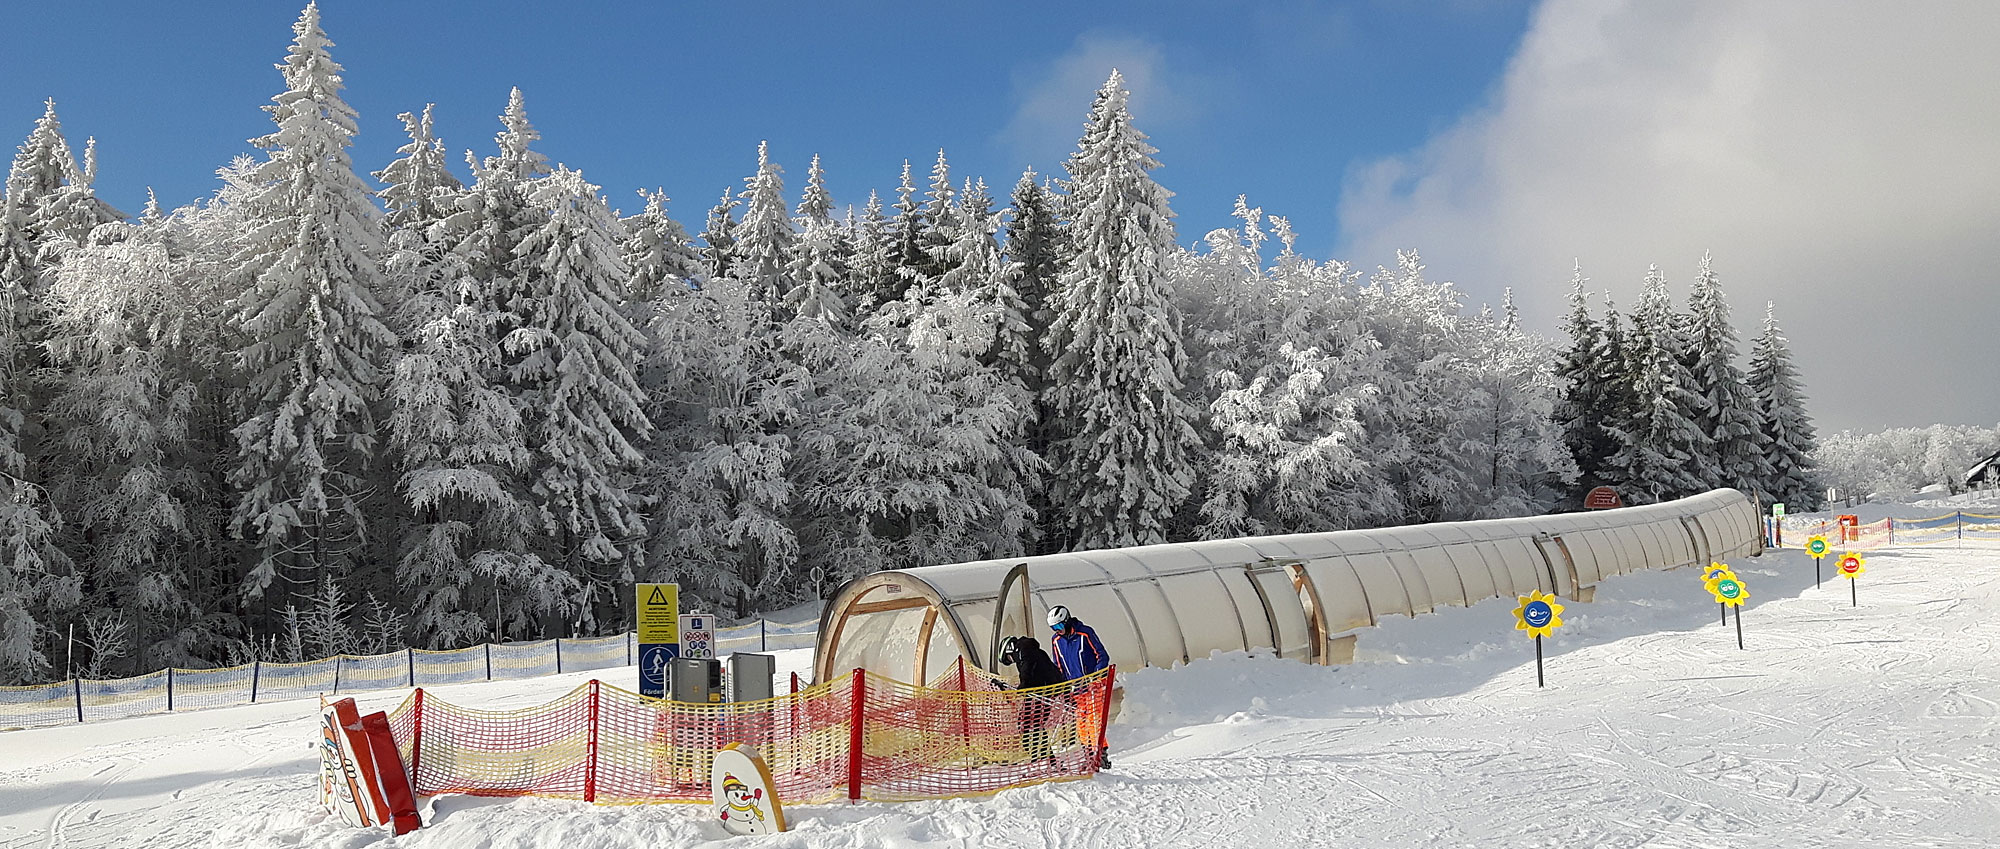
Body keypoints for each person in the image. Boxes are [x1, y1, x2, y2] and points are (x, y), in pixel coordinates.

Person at [1047, 605, 1113, 769]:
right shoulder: (1056, 641)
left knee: (1094, 721)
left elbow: (1102, 656)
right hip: (1075, 689)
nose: (1058, 631)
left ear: (1067, 621)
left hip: (1093, 687)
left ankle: (1100, 753)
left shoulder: (1085, 633)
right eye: (1054, 628)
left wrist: (1096, 677)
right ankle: (1088, 754)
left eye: (1060, 626)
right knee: (1081, 723)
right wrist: (1063, 687)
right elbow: (1059, 665)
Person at [998, 635, 1066, 764]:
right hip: (1042, 690)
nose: (1012, 660)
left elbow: (1027, 668)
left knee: (1029, 723)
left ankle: (1040, 757)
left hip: (1043, 690)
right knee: (1033, 723)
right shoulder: (1027, 650)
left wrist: (1024, 685)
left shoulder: (1023, 649)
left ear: (1009, 649)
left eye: (1009, 658)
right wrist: (1024, 686)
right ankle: (1044, 758)